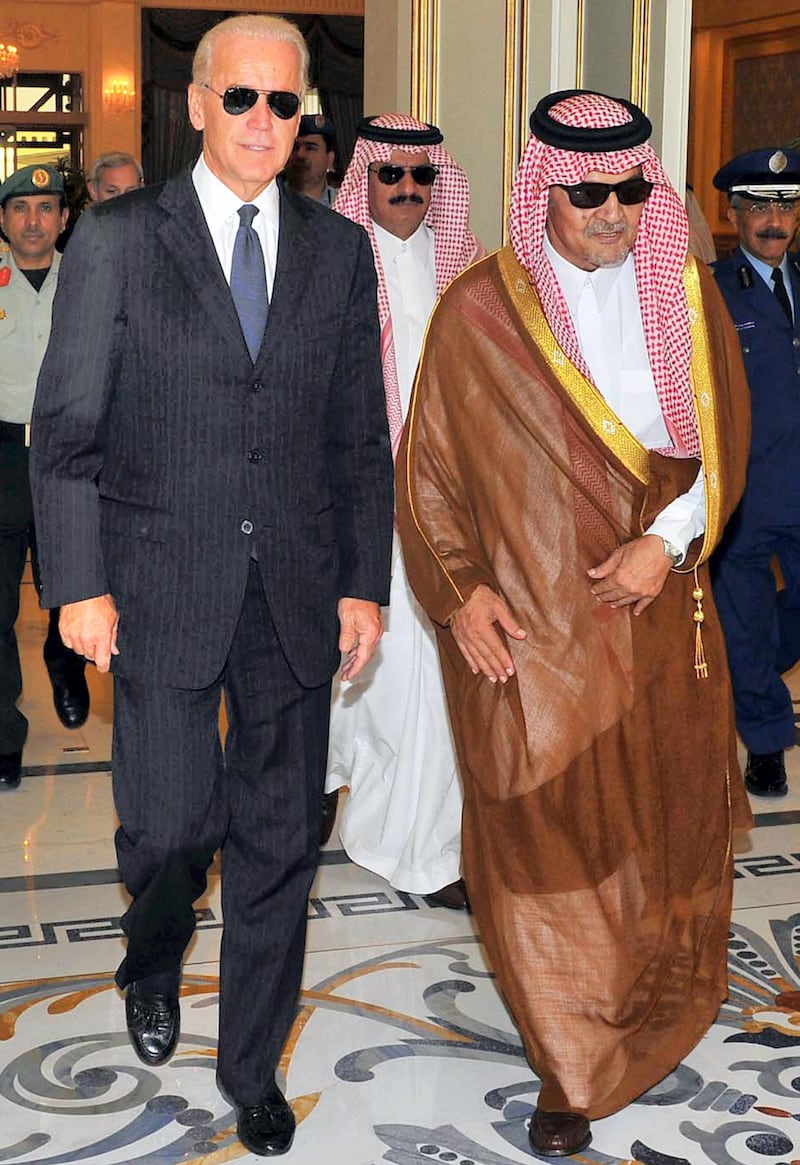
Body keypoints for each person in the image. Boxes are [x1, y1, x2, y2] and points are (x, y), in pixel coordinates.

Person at [30, 14, 392, 1158]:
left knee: (280, 839)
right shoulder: (123, 241)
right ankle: (151, 946)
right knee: (173, 825)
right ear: (195, 106)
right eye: (241, 99)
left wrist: (361, 584)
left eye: (286, 105)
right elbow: (65, 431)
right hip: (156, 586)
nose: (264, 123)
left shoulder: (338, 252)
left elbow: (357, 442)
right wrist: (76, 585)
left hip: (291, 590)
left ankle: (253, 1067)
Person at [396, 89, 753, 1157]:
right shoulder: (477, 312)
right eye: (587, 192)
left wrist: (669, 539)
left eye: (630, 188)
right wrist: (459, 593)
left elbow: (724, 437)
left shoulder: (683, 295)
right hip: (532, 627)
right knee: (536, 831)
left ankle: (640, 1003)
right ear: (540, 190)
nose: (612, 211)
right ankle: (565, 1057)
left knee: (657, 816)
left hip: (655, 608)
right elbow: (429, 474)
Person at [327, 113, 483, 908]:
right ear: (367, 178)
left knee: (420, 669)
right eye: (391, 175)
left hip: (445, 493)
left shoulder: (462, 262)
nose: (409, 191)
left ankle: (423, 845)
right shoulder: (336, 256)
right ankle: (338, 775)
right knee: (370, 666)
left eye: (424, 177)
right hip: (359, 490)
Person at [711, 148, 800, 799]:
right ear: (734, 213)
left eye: (787, 204)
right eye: (760, 205)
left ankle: (751, 678)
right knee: (743, 617)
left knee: (766, 629)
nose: (775, 218)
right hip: (747, 493)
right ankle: (765, 742)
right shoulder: (711, 291)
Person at [0, 163, 90, 790]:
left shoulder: (88, 279)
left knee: (71, 587)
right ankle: (4, 736)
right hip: (2, 454)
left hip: (69, 455)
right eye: (19, 208)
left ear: (63, 219)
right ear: (4, 220)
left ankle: (65, 660)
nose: (33, 220)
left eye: (44, 208)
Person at [283, 113, 337, 205]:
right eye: (295, 148)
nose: (300, 155)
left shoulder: (343, 205)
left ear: (330, 159)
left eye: (310, 148)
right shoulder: (270, 201)